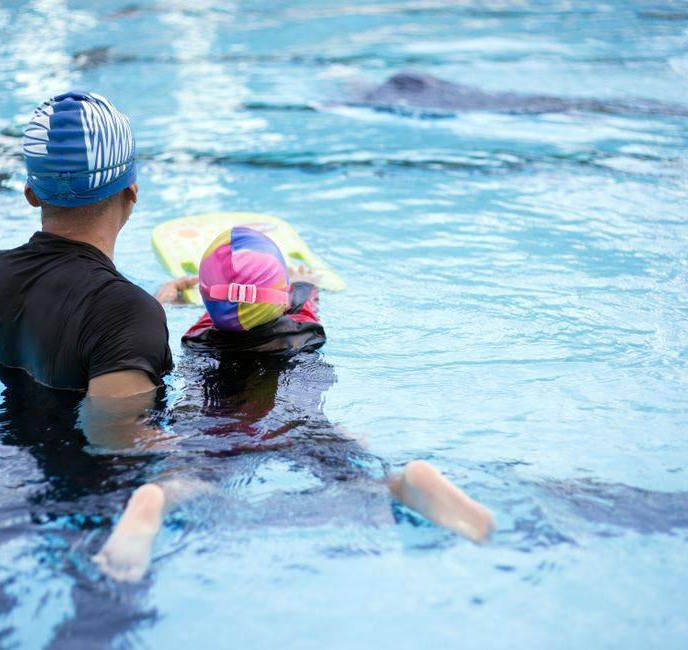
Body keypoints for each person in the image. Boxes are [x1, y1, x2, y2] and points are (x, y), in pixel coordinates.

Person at [94, 227, 495, 581]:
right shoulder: (300, 316)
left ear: (207, 300)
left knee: (191, 473)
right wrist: (305, 282)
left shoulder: (201, 332)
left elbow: (203, 311)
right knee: (350, 470)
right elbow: (301, 292)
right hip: (298, 420)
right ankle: (403, 484)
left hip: (216, 422)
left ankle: (156, 500)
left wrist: (168, 298)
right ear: (282, 295)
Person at [0, 90, 195, 398]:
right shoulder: (128, 314)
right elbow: (119, 442)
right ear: (132, 192)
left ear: (31, 195)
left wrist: (153, 310)